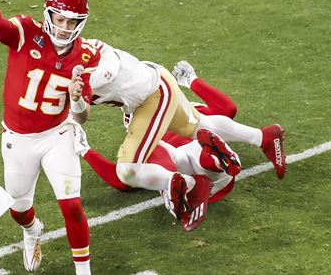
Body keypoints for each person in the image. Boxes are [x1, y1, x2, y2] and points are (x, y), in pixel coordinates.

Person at [0, 0, 104, 274]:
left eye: (72, 21)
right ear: (49, 14)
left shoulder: (85, 55)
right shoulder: (28, 31)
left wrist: (76, 100)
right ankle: (32, 230)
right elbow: (2, 29)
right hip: (18, 137)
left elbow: (81, 117)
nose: (65, 26)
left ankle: (84, 271)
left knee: (71, 205)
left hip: (58, 134)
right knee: (18, 209)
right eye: (60, 18)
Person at [71, 52, 286, 228]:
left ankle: (191, 178)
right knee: (198, 137)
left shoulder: (142, 130)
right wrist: (193, 82)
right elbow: (229, 109)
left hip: (189, 179)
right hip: (212, 165)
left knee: (163, 158)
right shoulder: (183, 108)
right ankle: (246, 145)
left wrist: (85, 150)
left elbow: (122, 180)